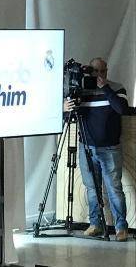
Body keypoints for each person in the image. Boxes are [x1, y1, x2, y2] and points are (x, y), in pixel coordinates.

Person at [64, 57, 129, 242]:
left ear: (107, 70)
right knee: (92, 188)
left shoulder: (117, 87)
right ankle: (95, 224)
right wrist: (65, 108)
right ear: (89, 71)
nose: (99, 74)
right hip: (87, 147)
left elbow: (121, 109)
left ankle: (121, 227)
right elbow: (69, 117)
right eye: (95, 71)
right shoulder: (82, 90)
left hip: (110, 149)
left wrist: (105, 88)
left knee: (114, 189)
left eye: (102, 71)